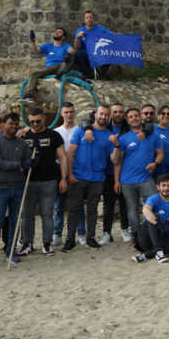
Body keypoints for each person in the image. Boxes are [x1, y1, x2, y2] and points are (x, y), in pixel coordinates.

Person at [64, 105, 115, 251]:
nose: (103, 117)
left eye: (106, 115)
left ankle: (91, 237)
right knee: (74, 209)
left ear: (109, 117)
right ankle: (70, 239)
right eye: (101, 114)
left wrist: (116, 145)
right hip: (78, 176)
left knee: (92, 210)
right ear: (95, 114)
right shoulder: (81, 130)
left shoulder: (108, 135)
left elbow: (114, 159)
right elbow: (70, 153)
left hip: (97, 178)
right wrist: (70, 174)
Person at [17, 109, 67, 256]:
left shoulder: (54, 135)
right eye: (31, 121)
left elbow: (62, 157)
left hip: (49, 181)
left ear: (44, 119)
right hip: (28, 181)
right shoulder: (24, 135)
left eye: (38, 121)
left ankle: (47, 243)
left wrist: (63, 178)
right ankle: (27, 243)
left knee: (47, 214)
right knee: (27, 215)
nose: (35, 124)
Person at [0, 113, 32, 268]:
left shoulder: (22, 144)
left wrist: (27, 163)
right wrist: (17, 165)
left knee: (15, 221)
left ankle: (12, 252)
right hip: (1, 188)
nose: (13, 126)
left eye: (15, 124)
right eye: (10, 123)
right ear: (4, 124)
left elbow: (27, 162)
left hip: (18, 187)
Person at [113, 108, 163, 246]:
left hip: (146, 178)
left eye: (136, 116)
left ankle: (152, 232)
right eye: (130, 117)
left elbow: (160, 153)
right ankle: (136, 235)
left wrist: (155, 163)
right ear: (127, 120)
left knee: (153, 206)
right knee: (132, 210)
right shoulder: (123, 138)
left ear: (141, 117)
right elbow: (116, 162)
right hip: (127, 181)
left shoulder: (153, 135)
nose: (134, 118)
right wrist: (116, 181)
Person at [52, 102, 86, 247]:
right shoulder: (55, 131)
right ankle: (57, 233)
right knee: (58, 204)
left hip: (76, 171)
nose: (69, 115)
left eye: (71, 112)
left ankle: (81, 232)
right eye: (66, 112)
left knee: (77, 204)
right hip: (59, 170)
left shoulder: (80, 130)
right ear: (61, 113)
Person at [136, 174, 169, 263]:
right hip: (147, 238)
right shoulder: (153, 199)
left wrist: (168, 222)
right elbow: (145, 209)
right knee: (151, 218)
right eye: (163, 185)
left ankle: (150, 254)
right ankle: (158, 250)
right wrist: (158, 222)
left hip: (163, 235)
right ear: (158, 187)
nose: (166, 188)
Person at [21, 27, 74, 104]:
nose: (56, 33)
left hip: (61, 66)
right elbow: (36, 50)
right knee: (34, 74)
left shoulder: (65, 46)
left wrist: (68, 54)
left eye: (59, 32)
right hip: (50, 68)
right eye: (56, 31)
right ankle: (29, 95)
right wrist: (32, 41)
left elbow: (71, 50)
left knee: (69, 58)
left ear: (63, 37)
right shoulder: (48, 45)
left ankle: (60, 74)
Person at [102, 102, 130, 243]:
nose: (118, 114)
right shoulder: (105, 128)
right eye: (115, 111)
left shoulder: (128, 129)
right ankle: (107, 232)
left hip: (125, 172)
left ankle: (125, 229)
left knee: (124, 203)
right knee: (108, 204)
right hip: (107, 171)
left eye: (120, 112)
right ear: (111, 113)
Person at [72, 10, 111, 77]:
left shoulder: (100, 29)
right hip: (86, 53)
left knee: (109, 53)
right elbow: (76, 47)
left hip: (98, 52)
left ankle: (102, 74)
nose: (89, 19)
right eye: (87, 18)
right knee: (76, 54)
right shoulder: (80, 30)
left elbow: (113, 36)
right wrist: (77, 38)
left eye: (91, 17)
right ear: (84, 20)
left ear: (93, 19)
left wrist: (123, 38)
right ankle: (88, 74)